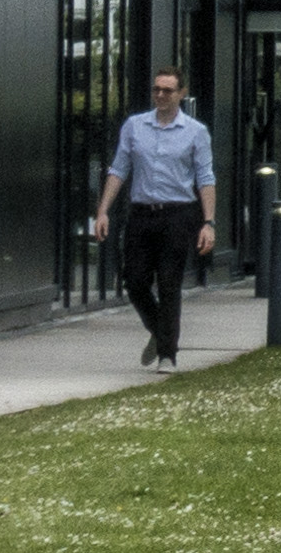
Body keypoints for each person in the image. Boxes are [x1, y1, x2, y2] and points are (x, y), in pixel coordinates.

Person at [88, 67, 218, 372]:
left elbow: (205, 178)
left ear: (181, 94)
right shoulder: (135, 126)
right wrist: (103, 210)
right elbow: (119, 169)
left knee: (169, 283)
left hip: (178, 214)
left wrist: (209, 222)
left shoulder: (195, 132)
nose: (160, 95)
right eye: (156, 89)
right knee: (135, 281)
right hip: (142, 213)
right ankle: (161, 333)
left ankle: (167, 354)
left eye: (168, 90)